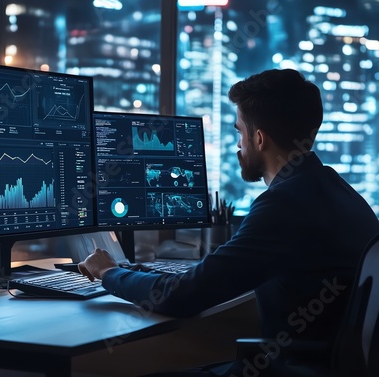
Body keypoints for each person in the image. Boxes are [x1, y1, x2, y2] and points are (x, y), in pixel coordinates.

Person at [78, 69, 379, 376]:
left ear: (259, 138)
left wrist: (109, 272)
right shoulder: (340, 193)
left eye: (240, 132)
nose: (238, 145)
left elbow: (181, 297)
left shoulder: (284, 204)